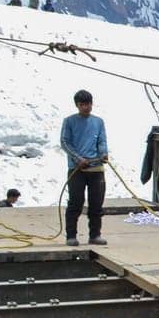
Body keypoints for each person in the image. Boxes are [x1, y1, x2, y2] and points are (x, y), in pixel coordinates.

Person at [60, 89, 109, 246]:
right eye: (83, 104)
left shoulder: (98, 122)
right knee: (76, 202)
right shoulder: (69, 121)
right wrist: (77, 158)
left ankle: (95, 235)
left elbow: (102, 140)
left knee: (96, 203)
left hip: (96, 168)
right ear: (77, 105)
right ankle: (71, 235)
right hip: (77, 169)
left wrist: (103, 153)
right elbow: (65, 142)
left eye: (88, 104)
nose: (86, 107)